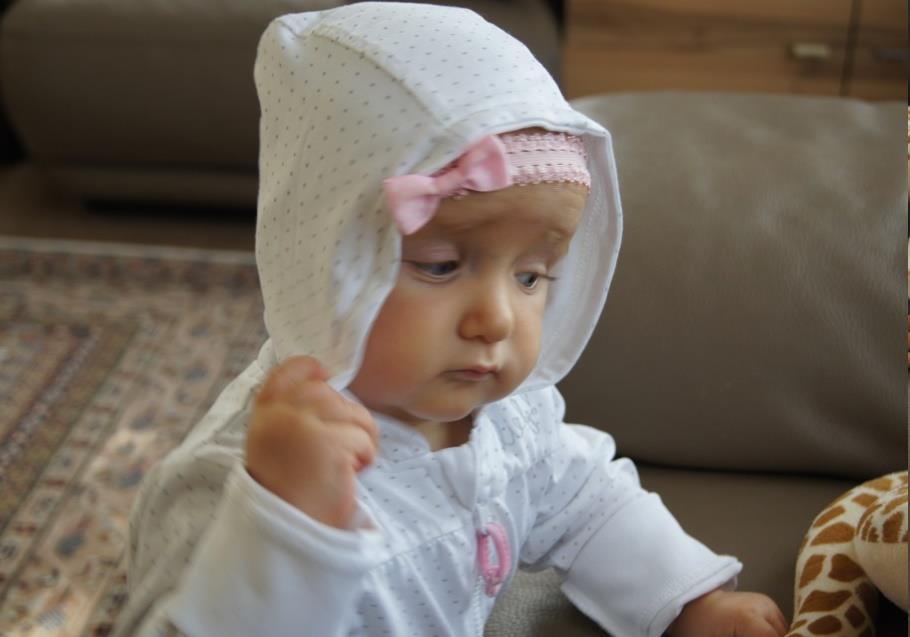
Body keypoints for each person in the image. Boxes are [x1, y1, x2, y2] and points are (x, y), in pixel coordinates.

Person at [113, 4, 788, 636]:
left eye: (531, 275)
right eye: (440, 266)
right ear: (323, 265)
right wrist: (285, 530)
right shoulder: (238, 482)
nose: (496, 319)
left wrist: (691, 602)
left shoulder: (510, 417)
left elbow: (587, 499)